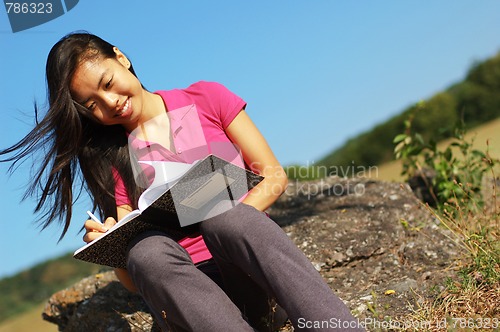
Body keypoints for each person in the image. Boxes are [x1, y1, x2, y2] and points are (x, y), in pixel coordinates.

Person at [0, 32, 363, 331]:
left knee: (227, 216)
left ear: (121, 57)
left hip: (245, 270)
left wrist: (223, 225)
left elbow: (274, 175)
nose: (110, 103)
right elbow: (134, 280)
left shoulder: (207, 98)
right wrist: (113, 247)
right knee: (144, 251)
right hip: (190, 297)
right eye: (92, 105)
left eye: (108, 83)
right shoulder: (112, 162)